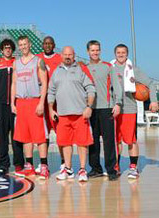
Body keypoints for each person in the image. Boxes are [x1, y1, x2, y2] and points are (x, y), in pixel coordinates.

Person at [48, 46, 96, 182]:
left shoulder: (80, 70)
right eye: (65, 54)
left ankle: (82, 170)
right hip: (63, 114)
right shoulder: (56, 72)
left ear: (74, 56)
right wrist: (51, 109)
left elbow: (91, 88)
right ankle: (68, 169)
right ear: (61, 55)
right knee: (65, 143)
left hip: (80, 114)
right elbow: (51, 91)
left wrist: (89, 107)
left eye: (70, 54)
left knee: (82, 143)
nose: (68, 56)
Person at [111, 44, 158, 179]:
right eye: (118, 52)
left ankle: (133, 167)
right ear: (115, 54)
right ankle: (116, 166)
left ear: (127, 54)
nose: (121, 55)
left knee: (131, 140)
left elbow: (150, 84)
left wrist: (153, 101)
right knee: (116, 140)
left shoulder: (134, 70)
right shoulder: (111, 69)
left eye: (123, 52)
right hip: (113, 109)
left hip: (129, 109)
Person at [11, 36, 49, 179]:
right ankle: (29, 166)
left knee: (39, 136)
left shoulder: (38, 61)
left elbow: (44, 83)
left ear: (30, 44)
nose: (23, 47)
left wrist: (41, 102)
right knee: (25, 136)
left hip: (34, 101)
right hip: (21, 102)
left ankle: (44, 166)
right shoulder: (16, 63)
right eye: (20, 45)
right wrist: (13, 102)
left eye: (25, 44)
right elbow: (14, 84)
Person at [85, 40, 121, 181]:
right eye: (92, 50)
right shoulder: (84, 68)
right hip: (91, 109)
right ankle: (95, 169)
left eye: (97, 50)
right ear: (88, 51)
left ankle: (111, 170)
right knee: (92, 141)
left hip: (106, 108)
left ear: (100, 51)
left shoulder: (108, 66)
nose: (95, 52)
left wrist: (117, 103)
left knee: (108, 141)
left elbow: (116, 86)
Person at [0, 39, 24, 175]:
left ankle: (19, 164)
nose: (8, 49)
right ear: (1, 50)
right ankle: (3, 164)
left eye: (10, 47)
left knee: (17, 135)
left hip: (16, 104)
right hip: (0, 105)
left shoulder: (17, 63)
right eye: (5, 47)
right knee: (2, 136)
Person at [36, 36, 64, 171]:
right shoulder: (37, 58)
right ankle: (44, 163)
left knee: (60, 131)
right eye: (45, 43)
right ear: (42, 45)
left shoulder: (60, 58)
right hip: (42, 99)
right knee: (43, 133)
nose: (47, 45)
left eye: (50, 44)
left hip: (57, 100)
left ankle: (64, 161)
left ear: (54, 45)